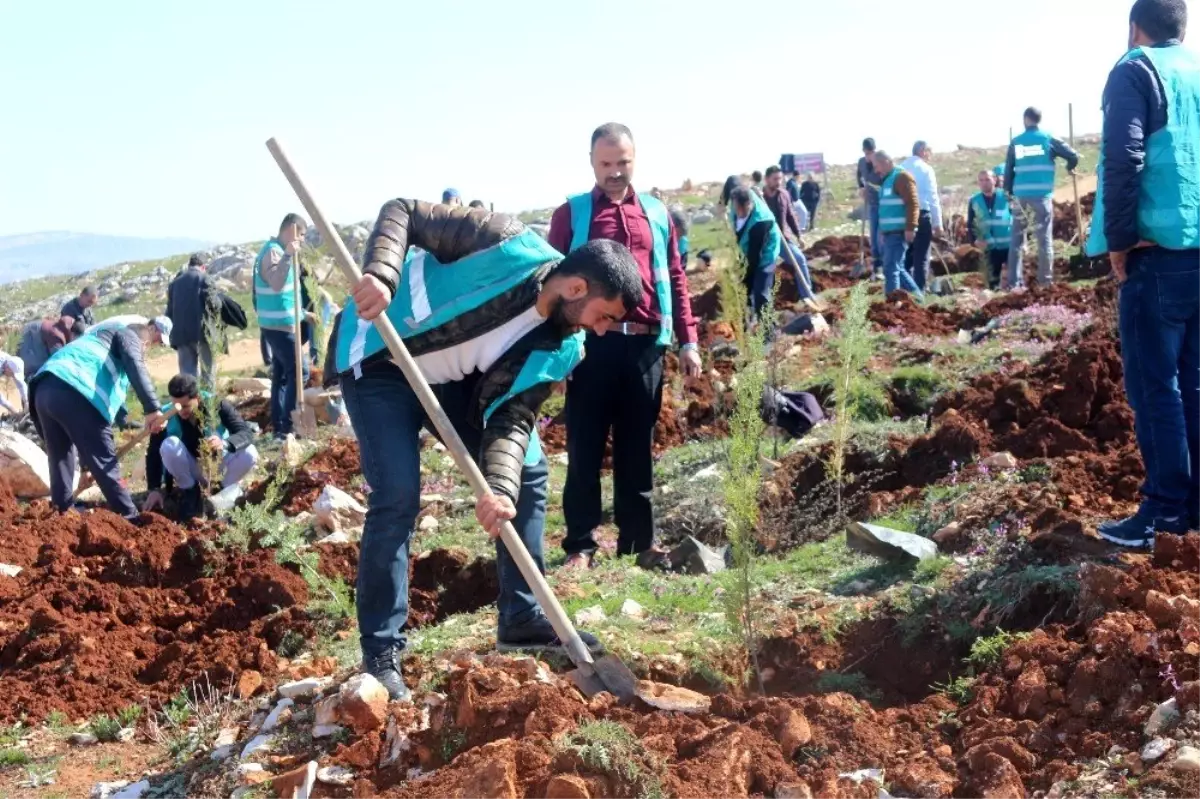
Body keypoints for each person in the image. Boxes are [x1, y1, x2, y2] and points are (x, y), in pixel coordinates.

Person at [325, 199, 639, 700]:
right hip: (380, 354)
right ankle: (381, 653)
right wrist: (382, 275)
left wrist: (498, 490)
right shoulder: (502, 242)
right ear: (576, 288)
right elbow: (404, 211)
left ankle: (521, 616)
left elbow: (511, 418)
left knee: (528, 472)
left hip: (448, 378)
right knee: (399, 495)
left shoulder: (563, 345)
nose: (600, 330)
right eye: (603, 316)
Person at [547, 122, 702, 570]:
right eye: (606, 164)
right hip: (590, 345)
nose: (615, 172)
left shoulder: (657, 213)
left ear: (635, 159)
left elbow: (674, 276)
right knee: (585, 447)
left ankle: (639, 544)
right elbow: (551, 282)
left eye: (623, 163)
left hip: (644, 347)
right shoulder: (570, 215)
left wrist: (688, 340)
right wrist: (556, 350)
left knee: (638, 448)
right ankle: (581, 545)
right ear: (593, 163)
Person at [1085, 0, 1200, 547]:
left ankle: (1165, 511)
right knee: (1194, 386)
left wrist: (1121, 240)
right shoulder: (1195, 71)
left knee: (1157, 388)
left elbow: (1123, 154)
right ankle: (1192, 507)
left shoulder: (1136, 69)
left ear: (1136, 28)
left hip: (1157, 258)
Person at [30, 317, 171, 519]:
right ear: (145, 343)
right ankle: (130, 517)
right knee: (106, 465)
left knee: (60, 455)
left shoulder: (96, 339)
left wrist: (88, 468)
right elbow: (134, 362)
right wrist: (152, 408)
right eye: (150, 348)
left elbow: (86, 434)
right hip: (76, 391)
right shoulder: (128, 334)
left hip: (44, 390)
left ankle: (61, 514)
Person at [143, 373, 259, 521]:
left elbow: (245, 432)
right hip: (192, 468)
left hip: (218, 466)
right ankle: (190, 493)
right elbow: (153, 453)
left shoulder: (217, 404)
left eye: (185, 406)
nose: (181, 411)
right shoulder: (166, 415)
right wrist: (154, 489)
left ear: (197, 397)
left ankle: (220, 491)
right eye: (176, 406)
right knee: (169, 444)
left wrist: (224, 443)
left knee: (250, 452)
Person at [1005, 107, 1081, 287]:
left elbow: (1009, 172)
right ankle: (1045, 283)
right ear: (1039, 120)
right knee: (1044, 240)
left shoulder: (1016, 142)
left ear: (1025, 119)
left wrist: (1008, 194)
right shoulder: (1048, 139)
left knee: (1016, 241)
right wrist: (1070, 168)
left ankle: (1013, 284)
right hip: (1041, 197)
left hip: (1020, 198)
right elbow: (1073, 155)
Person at [253, 213, 311, 439]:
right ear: (292, 230)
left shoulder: (277, 250)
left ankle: (279, 426)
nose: (303, 240)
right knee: (300, 372)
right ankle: (287, 427)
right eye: (302, 235)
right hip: (277, 327)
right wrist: (288, 255)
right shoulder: (274, 252)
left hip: (280, 324)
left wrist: (304, 314)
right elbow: (277, 284)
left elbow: (286, 295)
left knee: (281, 376)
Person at [762, 166, 819, 307]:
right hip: (765, 241)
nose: (778, 182)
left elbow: (790, 216)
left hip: (782, 239)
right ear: (766, 179)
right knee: (764, 270)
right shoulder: (759, 197)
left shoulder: (784, 194)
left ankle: (807, 295)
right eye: (775, 179)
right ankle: (762, 303)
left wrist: (799, 236)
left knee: (799, 259)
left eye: (780, 178)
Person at [872, 150, 923, 297]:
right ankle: (918, 298)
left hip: (899, 232)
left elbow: (912, 203)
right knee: (897, 268)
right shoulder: (887, 181)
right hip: (889, 233)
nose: (876, 170)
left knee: (890, 268)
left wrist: (910, 227)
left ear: (886, 162)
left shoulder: (901, 177)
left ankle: (892, 304)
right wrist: (882, 230)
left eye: (877, 166)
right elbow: (886, 209)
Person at [728, 185, 782, 323]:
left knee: (760, 293)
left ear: (750, 204)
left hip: (764, 255)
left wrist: (745, 278)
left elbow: (754, 258)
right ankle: (746, 327)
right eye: (737, 208)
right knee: (740, 291)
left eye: (743, 209)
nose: (739, 212)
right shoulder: (735, 204)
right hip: (745, 251)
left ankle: (768, 332)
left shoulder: (761, 221)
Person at [165, 254, 219, 386]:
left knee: (188, 376)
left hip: (181, 335)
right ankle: (207, 403)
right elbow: (213, 305)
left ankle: (190, 403)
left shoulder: (174, 283)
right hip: (202, 333)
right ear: (203, 266)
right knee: (208, 373)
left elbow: (169, 311)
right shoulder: (205, 279)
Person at [899, 141, 943, 291]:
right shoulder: (926, 169)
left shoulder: (900, 168)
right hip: (922, 214)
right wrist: (938, 224)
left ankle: (903, 289)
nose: (930, 156)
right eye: (929, 152)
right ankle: (919, 291)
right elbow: (933, 198)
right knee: (921, 256)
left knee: (905, 255)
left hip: (903, 215)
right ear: (923, 151)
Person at [967, 170, 1013, 290]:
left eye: (987, 179)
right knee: (993, 283)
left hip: (1009, 245)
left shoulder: (1006, 196)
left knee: (1013, 280)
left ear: (994, 180)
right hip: (989, 248)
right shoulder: (974, 200)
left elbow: (1019, 218)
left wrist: (1022, 240)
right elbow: (970, 223)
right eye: (981, 180)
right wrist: (975, 240)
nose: (984, 183)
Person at [858, 138, 884, 277]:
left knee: (882, 238)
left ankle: (886, 266)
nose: (869, 156)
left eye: (871, 152)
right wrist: (861, 188)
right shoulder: (862, 163)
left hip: (884, 205)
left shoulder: (880, 162)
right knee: (873, 238)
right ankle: (877, 268)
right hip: (872, 205)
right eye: (867, 153)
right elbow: (859, 177)